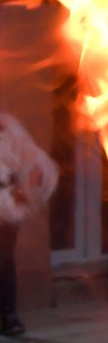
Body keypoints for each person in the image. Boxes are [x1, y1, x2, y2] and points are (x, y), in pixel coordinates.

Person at [0, 113, 58, 337]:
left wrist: (36, 173)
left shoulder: (7, 126)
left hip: (4, 202)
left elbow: (30, 156)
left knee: (3, 257)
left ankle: (8, 315)